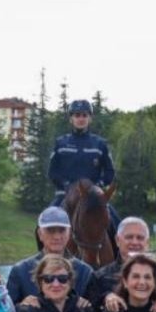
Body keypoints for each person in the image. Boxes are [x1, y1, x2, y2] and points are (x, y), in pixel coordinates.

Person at [47, 99, 120, 235]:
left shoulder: (100, 144)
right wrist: (66, 185)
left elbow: (110, 172)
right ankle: (44, 255)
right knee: (42, 225)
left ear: (90, 118)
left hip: (94, 197)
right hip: (65, 195)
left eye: (84, 115)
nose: (81, 119)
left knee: (118, 225)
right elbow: (53, 172)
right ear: (71, 118)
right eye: (77, 115)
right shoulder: (61, 143)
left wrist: (97, 186)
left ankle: (119, 256)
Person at [7, 207, 94, 305]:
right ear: (40, 234)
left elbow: (96, 311)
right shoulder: (20, 271)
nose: (57, 237)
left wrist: (88, 307)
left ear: (69, 233)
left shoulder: (85, 272)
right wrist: (21, 307)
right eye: (50, 230)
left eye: (62, 230)